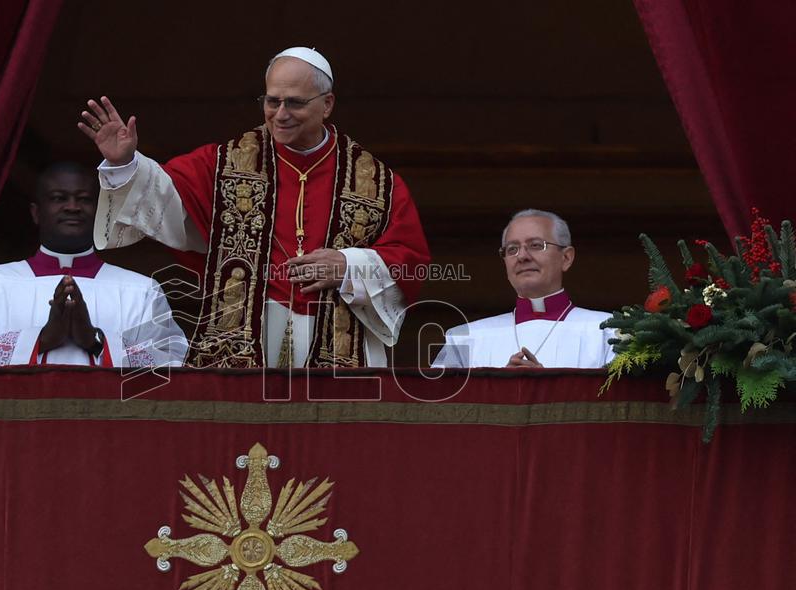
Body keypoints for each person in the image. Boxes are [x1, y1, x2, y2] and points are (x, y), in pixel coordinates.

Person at [79, 47, 430, 368]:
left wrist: (348, 265)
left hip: (339, 341)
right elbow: (165, 201)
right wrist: (126, 163)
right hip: (244, 335)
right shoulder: (225, 163)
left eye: (294, 103)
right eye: (271, 101)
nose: (280, 114)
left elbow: (410, 258)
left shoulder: (376, 182)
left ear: (327, 104)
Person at [0, 162, 186, 368]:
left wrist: (95, 340)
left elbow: (172, 365)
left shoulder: (141, 291)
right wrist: (41, 339)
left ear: (100, 213)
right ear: (36, 212)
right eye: (59, 198)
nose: (72, 207)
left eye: (84, 199)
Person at [434, 209, 615, 368]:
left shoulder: (611, 333)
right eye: (512, 249)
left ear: (566, 258)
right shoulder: (465, 338)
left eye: (536, 245)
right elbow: (437, 402)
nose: (522, 256)